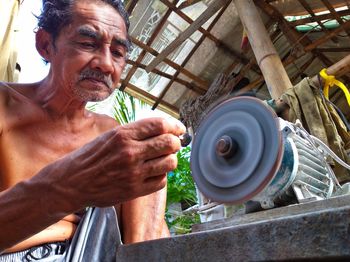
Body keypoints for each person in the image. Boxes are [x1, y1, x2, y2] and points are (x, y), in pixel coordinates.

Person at [0, 0, 185, 260]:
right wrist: (69, 186)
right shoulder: (3, 106)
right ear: (45, 45)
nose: (106, 65)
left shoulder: (113, 135)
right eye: (88, 44)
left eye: (118, 52)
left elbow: (150, 233)